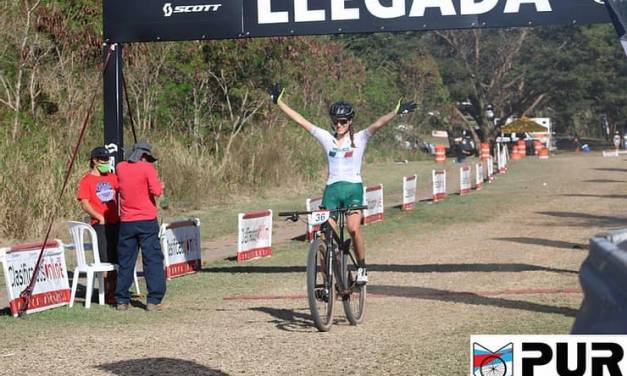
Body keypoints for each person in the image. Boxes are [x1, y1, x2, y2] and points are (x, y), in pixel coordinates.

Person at [269, 83, 416, 284]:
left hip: (353, 188)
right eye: (336, 122)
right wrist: (279, 103)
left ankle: (362, 267)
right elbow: (301, 120)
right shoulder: (326, 138)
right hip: (332, 190)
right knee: (323, 233)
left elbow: (378, 124)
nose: (339, 125)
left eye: (343, 121)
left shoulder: (361, 138)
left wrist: (396, 111)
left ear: (350, 122)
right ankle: (328, 280)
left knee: (353, 228)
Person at [115, 142, 165, 311]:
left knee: (126, 261)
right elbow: (156, 191)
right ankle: (153, 300)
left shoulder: (120, 167)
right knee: (152, 259)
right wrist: (161, 186)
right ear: (144, 156)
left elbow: (118, 187)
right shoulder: (148, 168)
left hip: (127, 221)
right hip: (147, 221)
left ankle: (122, 299)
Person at [76, 146, 119, 304]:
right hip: (100, 225)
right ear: (94, 160)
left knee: (118, 257)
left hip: (116, 222)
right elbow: (85, 204)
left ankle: (116, 290)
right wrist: (99, 217)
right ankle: (108, 293)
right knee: (106, 258)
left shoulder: (112, 177)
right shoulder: (86, 180)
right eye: (103, 160)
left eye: (108, 160)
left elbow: (124, 191)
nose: (106, 163)